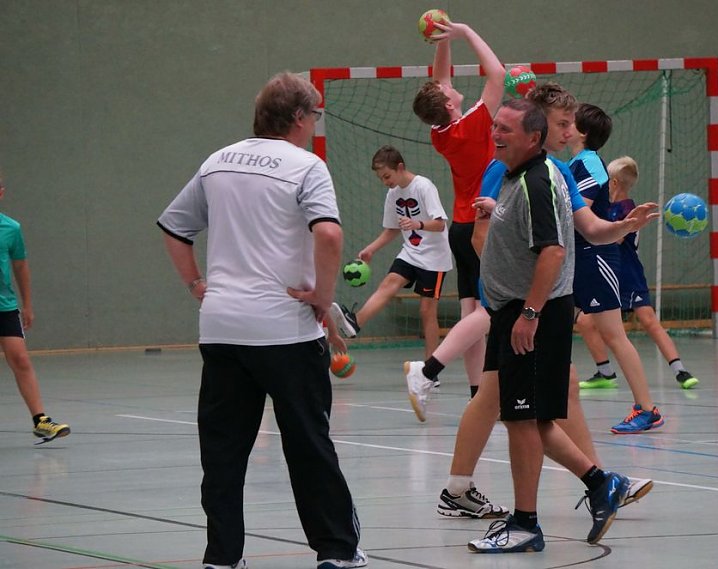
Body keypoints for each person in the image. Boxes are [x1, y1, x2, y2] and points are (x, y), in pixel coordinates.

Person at [410, 84, 656, 520]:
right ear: (536, 126)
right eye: (562, 124)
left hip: (534, 306)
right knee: (531, 405)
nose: (570, 130)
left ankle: (461, 488)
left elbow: (591, 229)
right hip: (522, 308)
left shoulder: (556, 173)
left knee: (509, 398)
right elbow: (484, 238)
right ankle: (598, 482)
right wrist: (520, 302)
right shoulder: (504, 172)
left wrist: (623, 228)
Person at [157, 72, 366, 569]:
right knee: (308, 444)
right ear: (298, 117)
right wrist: (324, 295)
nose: (315, 123)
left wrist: (196, 285)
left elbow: (173, 225)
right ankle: (336, 551)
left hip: (223, 328)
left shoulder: (217, 162)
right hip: (285, 330)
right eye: (314, 115)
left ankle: (222, 558)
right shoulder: (306, 166)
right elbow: (330, 237)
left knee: (223, 453)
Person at [467, 98, 631, 553]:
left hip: (531, 315)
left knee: (522, 420)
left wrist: (529, 314)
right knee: (527, 418)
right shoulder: (517, 176)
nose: (496, 134)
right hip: (513, 313)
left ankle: (524, 524)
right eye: (495, 126)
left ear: (533, 139)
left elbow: (554, 251)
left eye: (506, 129)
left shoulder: (538, 181)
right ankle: (602, 484)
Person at [411, 19, 505, 393]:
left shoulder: (440, 133)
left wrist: (442, 41)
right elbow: (497, 73)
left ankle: (476, 393)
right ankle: (429, 369)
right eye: (448, 90)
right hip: (483, 226)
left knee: (470, 311)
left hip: (460, 228)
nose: (449, 86)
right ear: (450, 104)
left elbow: (439, 80)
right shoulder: (473, 125)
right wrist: (466, 31)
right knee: (490, 312)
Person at [329, 145, 453, 413]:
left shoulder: (424, 187)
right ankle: (354, 324)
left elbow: (441, 223)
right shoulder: (393, 194)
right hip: (411, 252)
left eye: (386, 176)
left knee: (426, 311)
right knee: (389, 283)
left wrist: (418, 225)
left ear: (399, 167)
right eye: (381, 179)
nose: (385, 182)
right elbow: (391, 230)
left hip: (434, 258)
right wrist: (372, 249)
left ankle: (431, 371)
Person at [567, 103, 664, 434]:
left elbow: (577, 213)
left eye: (568, 122)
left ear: (581, 132)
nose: (562, 126)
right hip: (575, 258)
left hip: (597, 258)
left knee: (614, 334)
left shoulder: (591, 167)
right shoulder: (576, 162)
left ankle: (647, 408)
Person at [576, 156, 700, 390]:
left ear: (613, 183)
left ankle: (680, 370)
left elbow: (617, 237)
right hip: (606, 274)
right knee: (584, 321)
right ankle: (605, 372)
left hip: (628, 275)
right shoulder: (604, 208)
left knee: (648, 320)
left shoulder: (628, 210)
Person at [0, 175, 70, 445]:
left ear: (2, 193)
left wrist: (27, 304)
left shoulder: (11, 228)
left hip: (5, 307)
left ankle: (41, 421)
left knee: (20, 359)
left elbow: (20, 266)